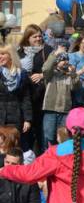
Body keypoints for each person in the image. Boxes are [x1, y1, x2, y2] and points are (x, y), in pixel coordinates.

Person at [18, 24, 52, 153]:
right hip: (25, 95)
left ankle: (42, 156)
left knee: (41, 132)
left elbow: (56, 68)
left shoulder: (47, 50)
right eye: (34, 36)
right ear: (27, 38)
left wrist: (42, 75)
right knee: (26, 131)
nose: (38, 39)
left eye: (40, 36)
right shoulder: (20, 52)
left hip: (42, 96)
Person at [41, 47, 79, 147]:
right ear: (57, 62)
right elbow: (46, 68)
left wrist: (74, 74)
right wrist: (54, 54)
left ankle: (63, 154)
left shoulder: (69, 75)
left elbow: (75, 87)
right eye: (62, 60)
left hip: (65, 111)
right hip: (50, 110)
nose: (65, 62)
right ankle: (48, 154)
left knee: (64, 138)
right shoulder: (50, 74)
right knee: (48, 137)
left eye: (67, 59)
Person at [0, 45, 33, 136]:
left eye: (3, 54)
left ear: (11, 56)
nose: (0, 56)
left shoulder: (22, 74)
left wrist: (27, 119)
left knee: (13, 143)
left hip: (16, 118)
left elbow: (26, 99)